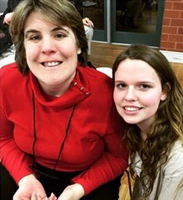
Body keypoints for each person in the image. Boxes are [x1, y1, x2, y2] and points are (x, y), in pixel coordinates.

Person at [0, 0, 128, 200]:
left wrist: (78, 188)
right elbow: (3, 139)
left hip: (87, 177)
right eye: (34, 37)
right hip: (26, 168)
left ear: (78, 44)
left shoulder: (106, 93)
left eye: (59, 35)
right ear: (22, 48)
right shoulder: (6, 81)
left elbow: (119, 156)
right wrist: (25, 177)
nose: (47, 48)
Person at [112, 44, 183, 199]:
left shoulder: (181, 158)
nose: (129, 96)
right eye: (121, 85)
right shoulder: (133, 126)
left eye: (144, 86)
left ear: (165, 91)